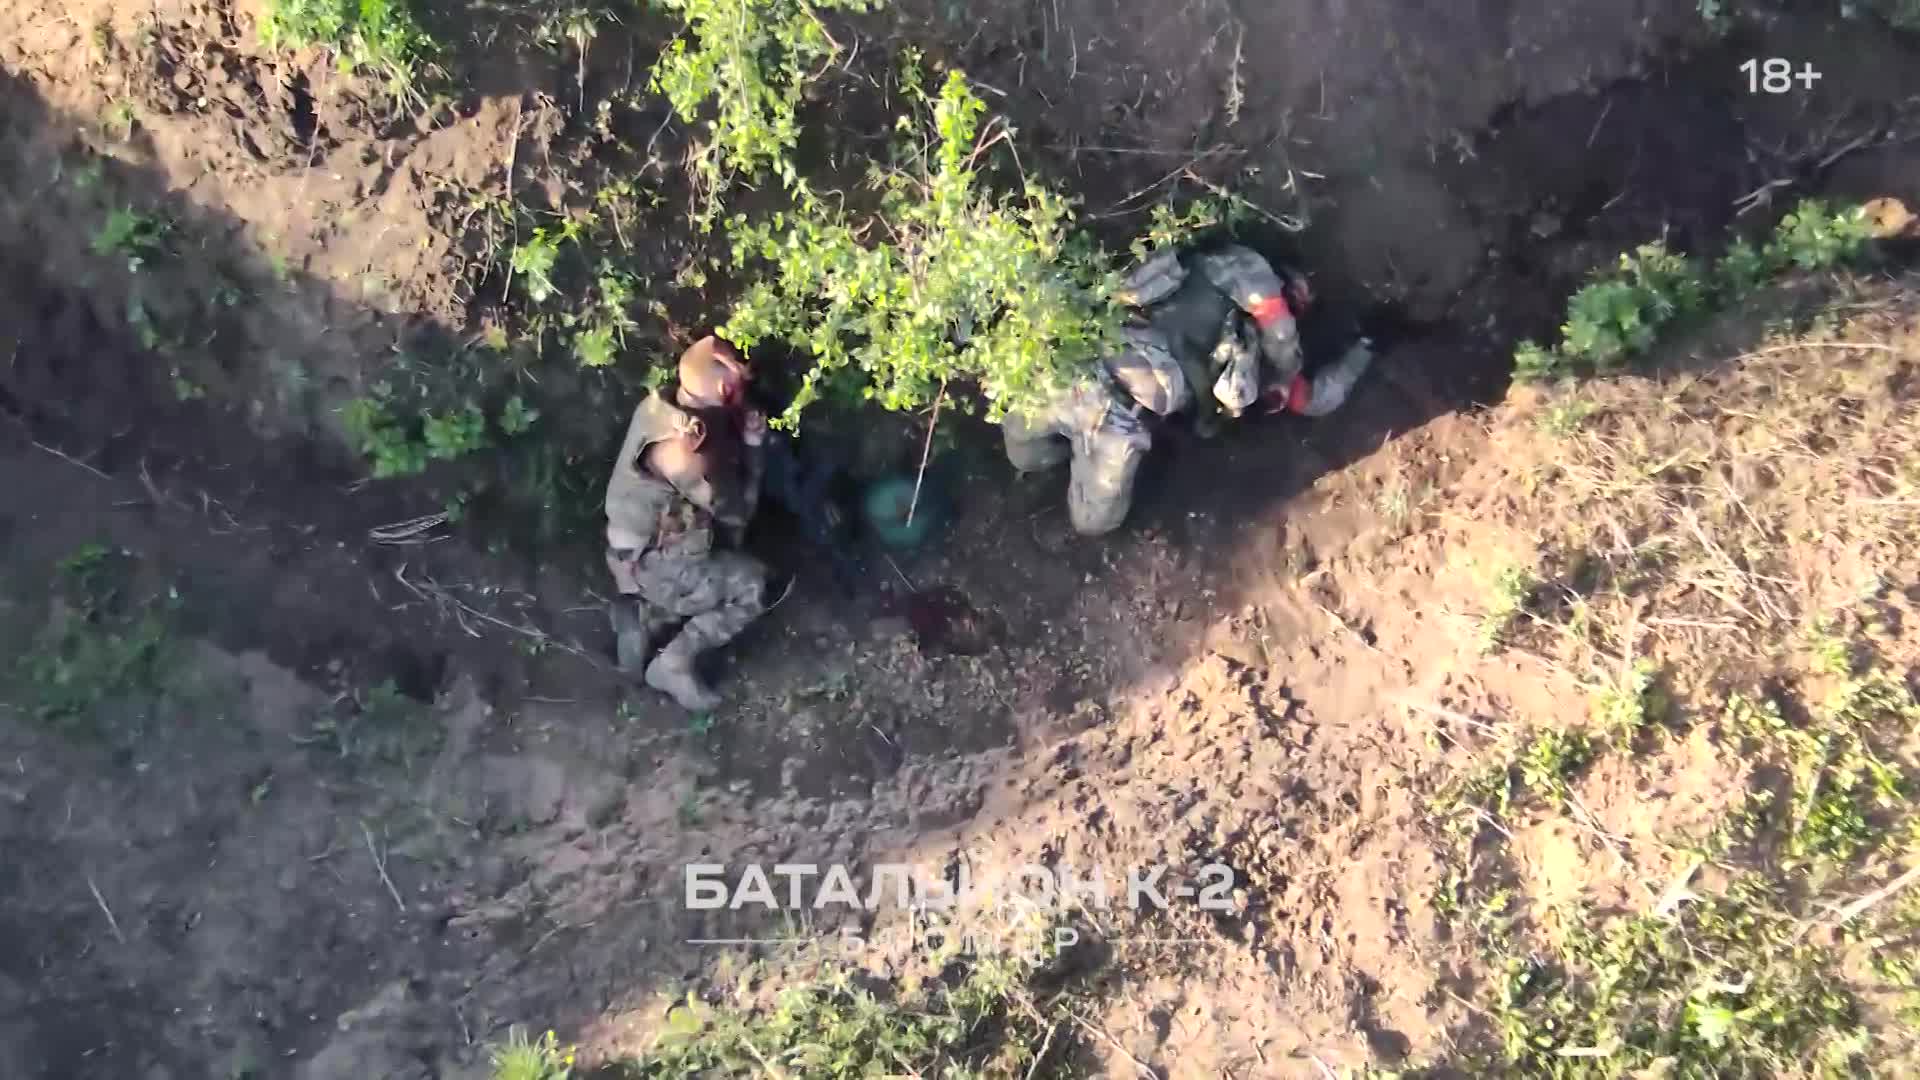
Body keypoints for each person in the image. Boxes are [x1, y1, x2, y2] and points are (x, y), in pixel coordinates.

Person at [1003, 244, 1374, 536]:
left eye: (1304, 302)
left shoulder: (1258, 366)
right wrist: (1282, 337)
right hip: (1087, 366)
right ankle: (1067, 456)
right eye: (1298, 287)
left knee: (1091, 521)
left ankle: (1076, 458)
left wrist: (1365, 349)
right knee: (1022, 453)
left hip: (1114, 418)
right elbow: (1271, 313)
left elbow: (1316, 398)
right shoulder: (1231, 271)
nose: (1300, 297)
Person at [603, 336, 770, 710]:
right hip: (656, 565)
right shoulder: (685, 455)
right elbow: (739, 512)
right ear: (725, 390)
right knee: (752, 585)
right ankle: (673, 663)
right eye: (740, 385)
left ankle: (645, 617)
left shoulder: (660, 407)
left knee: (716, 545)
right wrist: (754, 447)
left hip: (632, 549)